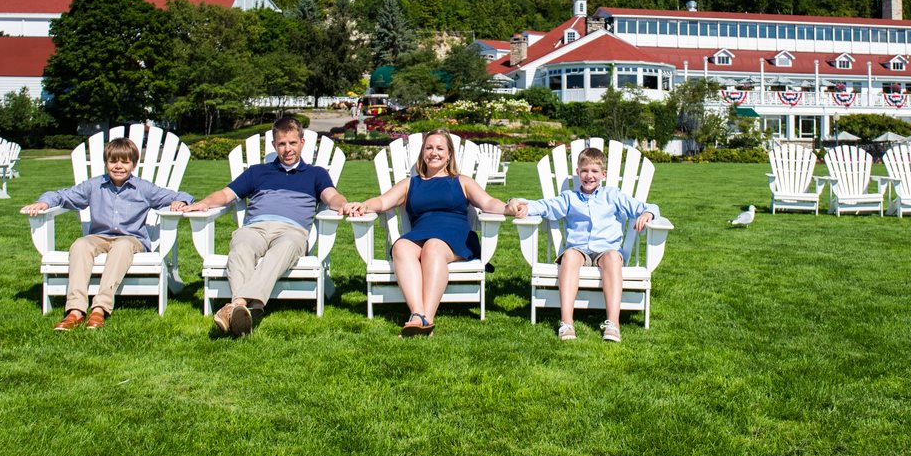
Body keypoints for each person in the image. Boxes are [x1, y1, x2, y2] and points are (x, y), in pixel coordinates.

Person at [183, 116, 348, 337]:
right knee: (241, 244)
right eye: (281, 144)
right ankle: (252, 309)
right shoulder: (257, 172)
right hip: (256, 228)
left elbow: (332, 197)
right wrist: (203, 203)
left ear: (302, 142)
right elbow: (225, 194)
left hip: (292, 231)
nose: (287, 149)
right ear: (273, 146)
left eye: (292, 143)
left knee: (284, 247)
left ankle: (235, 305)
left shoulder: (315, 174)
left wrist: (345, 205)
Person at [342, 129, 510, 336]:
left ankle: (427, 319)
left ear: (449, 154)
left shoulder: (462, 181)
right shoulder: (410, 183)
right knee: (402, 247)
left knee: (433, 247)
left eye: (440, 148)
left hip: (455, 236)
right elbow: (383, 201)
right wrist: (364, 205)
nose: (434, 153)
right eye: (429, 148)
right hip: (421, 233)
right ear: (422, 153)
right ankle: (417, 314)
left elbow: (488, 202)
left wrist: (507, 207)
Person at [21, 136, 193, 331]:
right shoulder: (94, 186)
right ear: (106, 163)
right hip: (99, 237)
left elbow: (182, 195)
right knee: (80, 244)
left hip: (131, 239)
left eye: (125, 162)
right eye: (113, 161)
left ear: (134, 165)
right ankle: (75, 310)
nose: (118, 166)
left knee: (121, 246)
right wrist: (44, 202)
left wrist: (182, 203)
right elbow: (61, 195)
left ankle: (100, 308)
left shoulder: (143, 188)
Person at [505, 146, 659, 344]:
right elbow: (545, 206)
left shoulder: (613, 196)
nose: (589, 176)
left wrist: (648, 214)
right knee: (569, 256)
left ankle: (613, 323)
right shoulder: (569, 198)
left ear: (603, 174)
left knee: (613, 258)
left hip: (607, 251)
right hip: (580, 251)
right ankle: (567, 321)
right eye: (584, 171)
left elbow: (647, 206)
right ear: (577, 173)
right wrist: (520, 203)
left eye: (594, 171)